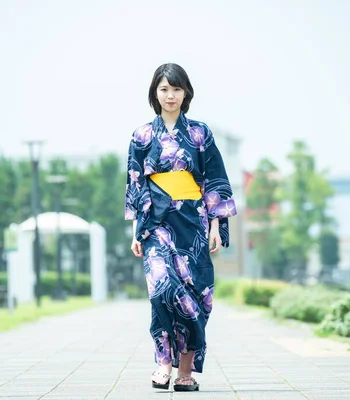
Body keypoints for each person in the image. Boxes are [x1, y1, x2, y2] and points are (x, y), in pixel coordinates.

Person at [124, 63, 237, 392]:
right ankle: (163, 362)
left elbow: (215, 179)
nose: (170, 95)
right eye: (163, 89)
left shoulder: (201, 133)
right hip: (155, 224)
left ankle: (185, 371)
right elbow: (134, 185)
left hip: (193, 224)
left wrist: (216, 225)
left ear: (185, 92)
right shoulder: (142, 135)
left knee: (193, 295)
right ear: (154, 93)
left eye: (175, 89)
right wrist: (135, 232)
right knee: (161, 289)